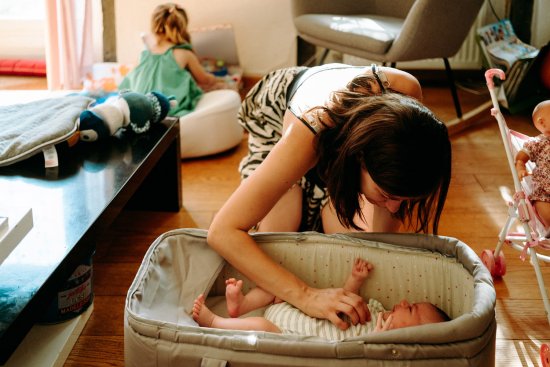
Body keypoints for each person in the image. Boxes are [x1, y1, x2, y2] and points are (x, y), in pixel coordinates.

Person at [207, 63, 452, 329]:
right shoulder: (309, 132)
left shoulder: (408, 95)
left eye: (404, 201)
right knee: (280, 232)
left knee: (353, 242)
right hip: (283, 117)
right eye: (385, 194)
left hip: (341, 131)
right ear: (359, 159)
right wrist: (307, 296)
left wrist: (381, 250)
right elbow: (222, 232)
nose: (395, 208)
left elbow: (387, 215)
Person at [192, 258, 450, 339]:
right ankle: (241, 306)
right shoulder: (376, 308)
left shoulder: (382, 342)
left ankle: (215, 322)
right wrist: (355, 280)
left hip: (287, 331)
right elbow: (345, 300)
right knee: (277, 286)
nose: (405, 302)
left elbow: (361, 357)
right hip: (294, 307)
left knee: (261, 328)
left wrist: (379, 339)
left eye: (412, 309)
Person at [118, 2, 218, 116]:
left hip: (137, 108)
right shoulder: (184, 53)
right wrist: (217, 80)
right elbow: (203, 79)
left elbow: (129, 80)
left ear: (154, 27)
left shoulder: (143, 55)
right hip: (166, 111)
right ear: (182, 28)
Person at [515, 100, 550, 229]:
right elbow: (521, 157)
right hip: (545, 189)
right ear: (542, 122)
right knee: (542, 204)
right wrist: (520, 167)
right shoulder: (537, 143)